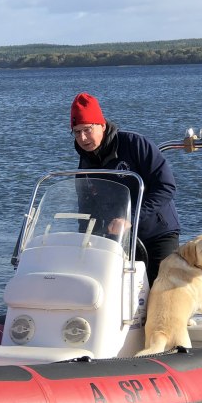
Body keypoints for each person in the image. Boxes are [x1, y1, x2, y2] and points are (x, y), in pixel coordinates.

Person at [70, 92, 180, 286]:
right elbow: (86, 207)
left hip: (157, 233)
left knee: (162, 294)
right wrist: (85, 243)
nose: (83, 137)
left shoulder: (135, 144)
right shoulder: (85, 162)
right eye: (77, 132)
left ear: (102, 125)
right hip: (119, 239)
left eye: (87, 129)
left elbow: (166, 186)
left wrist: (131, 218)